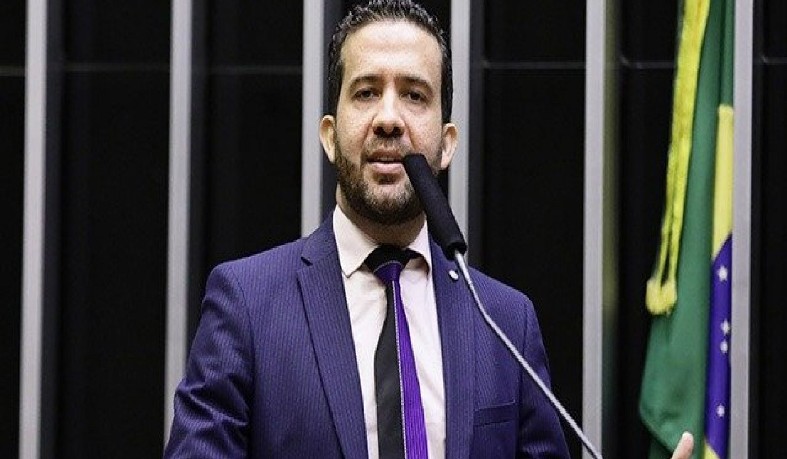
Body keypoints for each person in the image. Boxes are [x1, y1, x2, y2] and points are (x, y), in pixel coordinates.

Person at [163, 1, 695, 458]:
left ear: (446, 144)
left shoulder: (505, 322)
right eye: (366, 92)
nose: (389, 118)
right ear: (329, 135)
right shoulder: (248, 304)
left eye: (414, 95)